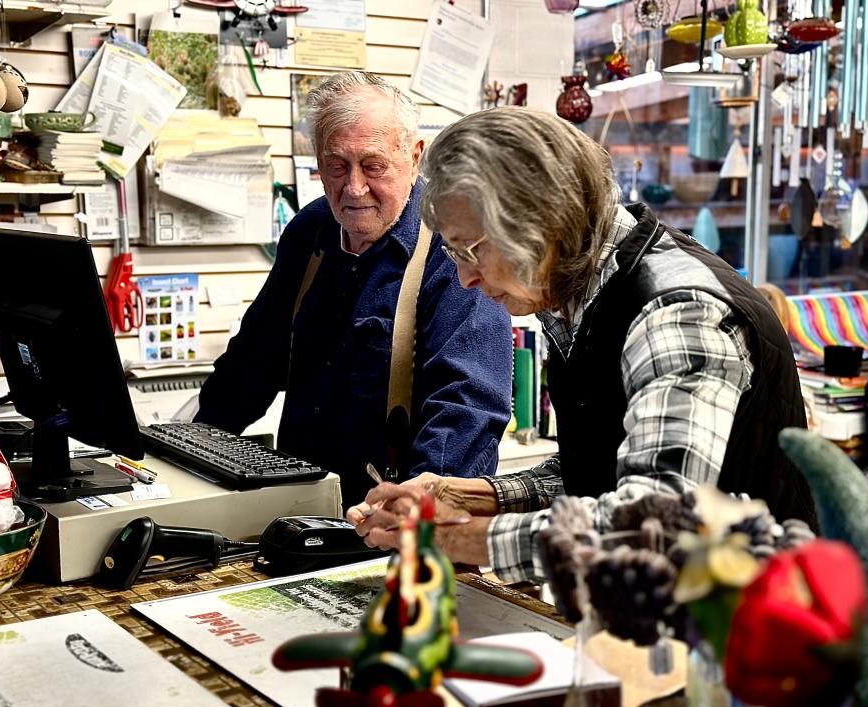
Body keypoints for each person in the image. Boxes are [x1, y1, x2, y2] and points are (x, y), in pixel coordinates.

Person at [348, 106, 817, 583]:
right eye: (453, 253)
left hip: (758, 626)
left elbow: (653, 529)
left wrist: (449, 536)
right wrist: (464, 496)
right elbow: (603, 470)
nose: (465, 278)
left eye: (472, 250)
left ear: (541, 222)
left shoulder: (678, 313)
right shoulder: (577, 290)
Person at [196, 72, 513, 508]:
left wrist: (418, 511)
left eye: (373, 165)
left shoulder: (453, 247)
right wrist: (196, 444)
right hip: (301, 508)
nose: (353, 188)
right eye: (337, 165)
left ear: (415, 157)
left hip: (388, 515)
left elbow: (466, 405)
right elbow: (254, 360)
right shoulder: (311, 232)